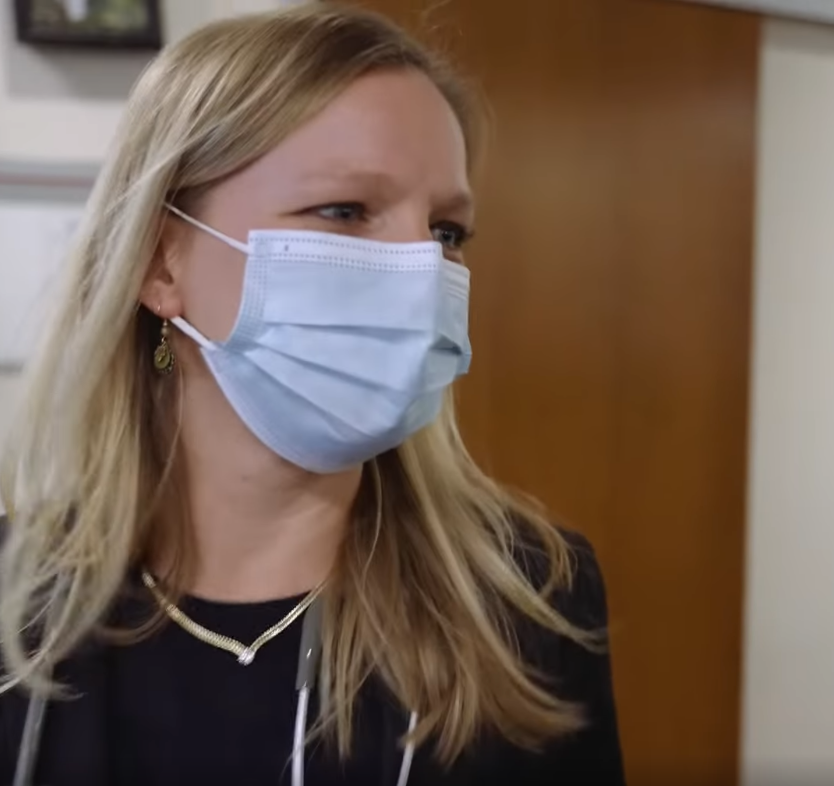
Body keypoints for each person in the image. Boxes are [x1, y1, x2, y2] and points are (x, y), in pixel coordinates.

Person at [0, 4, 624, 785]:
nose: (421, 271)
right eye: (344, 211)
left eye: (447, 231)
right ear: (162, 264)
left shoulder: (530, 597)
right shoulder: (14, 604)